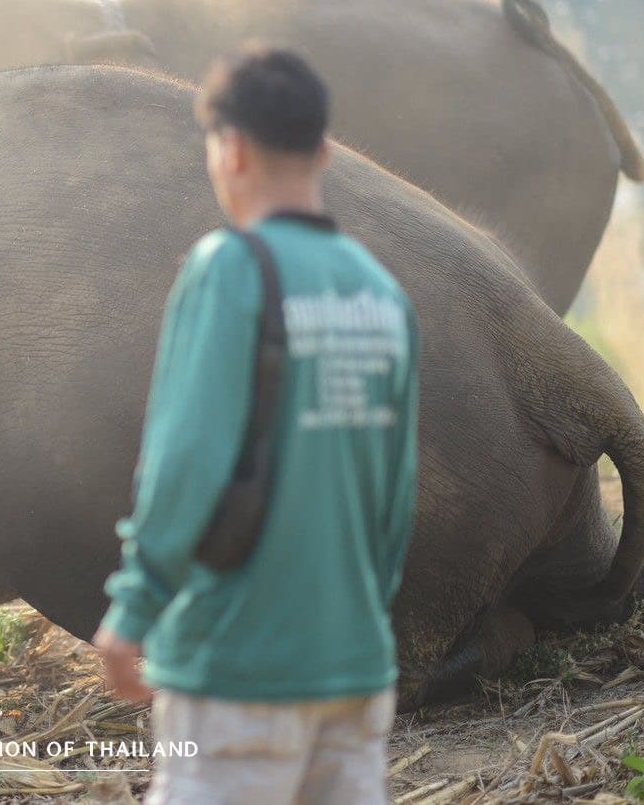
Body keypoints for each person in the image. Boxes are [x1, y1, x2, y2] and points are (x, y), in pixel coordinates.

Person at [93, 48, 419, 805]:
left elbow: (184, 461)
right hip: (356, 671)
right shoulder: (382, 293)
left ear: (230, 150)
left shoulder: (229, 268)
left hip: (239, 667)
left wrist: (135, 605)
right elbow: (395, 498)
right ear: (325, 151)